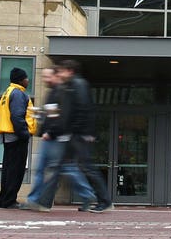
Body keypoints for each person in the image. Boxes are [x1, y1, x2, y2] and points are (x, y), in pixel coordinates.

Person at [34, 60, 113, 212]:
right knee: (60, 166)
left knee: (86, 168)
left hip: (78, 135)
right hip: (74, 134)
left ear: (70, 71)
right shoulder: (70, 86)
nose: (60, 74)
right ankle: (43, 203)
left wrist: (81, 133)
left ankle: (104, 201)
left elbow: (81, 110)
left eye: (62, 71)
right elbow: (67, 113)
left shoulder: (78, 85)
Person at [21, 67, 95, 211]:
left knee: (60, 168)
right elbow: (51, 114)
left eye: (48, 76)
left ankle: (36, 200)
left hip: (56, 138)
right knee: (56, 168)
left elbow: (61, 117)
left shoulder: (61, 92)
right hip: (52, 137)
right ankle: (35, 200)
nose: (45, 80)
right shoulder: (54, 92)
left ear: (55, 76)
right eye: (44, 77)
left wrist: (50, 132)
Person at [0, 67, 35, 208]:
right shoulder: (18, 94)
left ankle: (3, 199)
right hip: (17, 136)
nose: (28, 80)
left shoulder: (8, 92)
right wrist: (24, 134)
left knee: (8, 169)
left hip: (8, 137)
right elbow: (17, 116)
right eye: (26, 78)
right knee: (15, 170)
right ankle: (9, 200)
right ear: (20, 80)